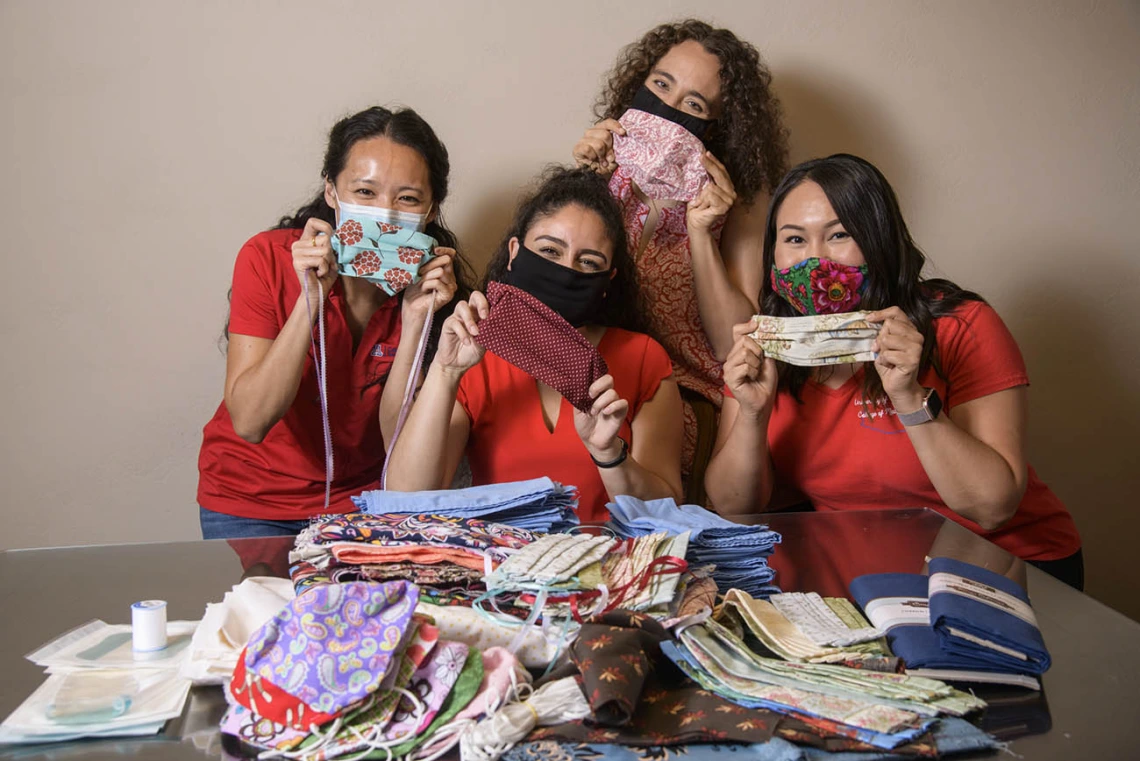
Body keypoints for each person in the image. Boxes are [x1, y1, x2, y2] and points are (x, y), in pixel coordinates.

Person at [706, 154, 1083, 589]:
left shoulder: (961, 325)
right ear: (772, 255)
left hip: (1008, 563)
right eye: (794, 239)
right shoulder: (766, 348)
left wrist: (908, 397)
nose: (815, 260)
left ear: (879, 241)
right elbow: (735, 506)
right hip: (874, 572)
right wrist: (754, 414)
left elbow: (992, 508)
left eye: (839, 235)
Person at [197, 106, 471, 539]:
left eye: (408, 199)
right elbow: (250, 421)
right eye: (365, 192)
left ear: (432, 210)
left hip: (363, 507)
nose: (385, 215)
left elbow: (397, 445)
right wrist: (311, 300)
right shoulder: (266, 258)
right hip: (250, 502)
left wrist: (416, 319)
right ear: (331, 191)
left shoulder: (433, 292)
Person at [384, 167, 683, 522]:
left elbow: (669, 516)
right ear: (514, 253)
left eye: (588, 262)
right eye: (549, 251)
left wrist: (609, 454)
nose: (566, 270)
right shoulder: (476, 358)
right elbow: (404, 500)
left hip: (609, 567)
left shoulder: (642, 358)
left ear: (607, 281)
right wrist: (445, 370)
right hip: (500, 566)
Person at [572, 19, 789, 493]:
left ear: (717, 129)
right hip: (583, 378)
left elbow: (736, 345)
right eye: (660, 85)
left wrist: (700, 230)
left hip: (674, 400)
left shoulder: (742, 203)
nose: (668, 108)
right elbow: (560, 293)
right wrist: (586, 185)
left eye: (693, 104)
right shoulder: (609, 168)